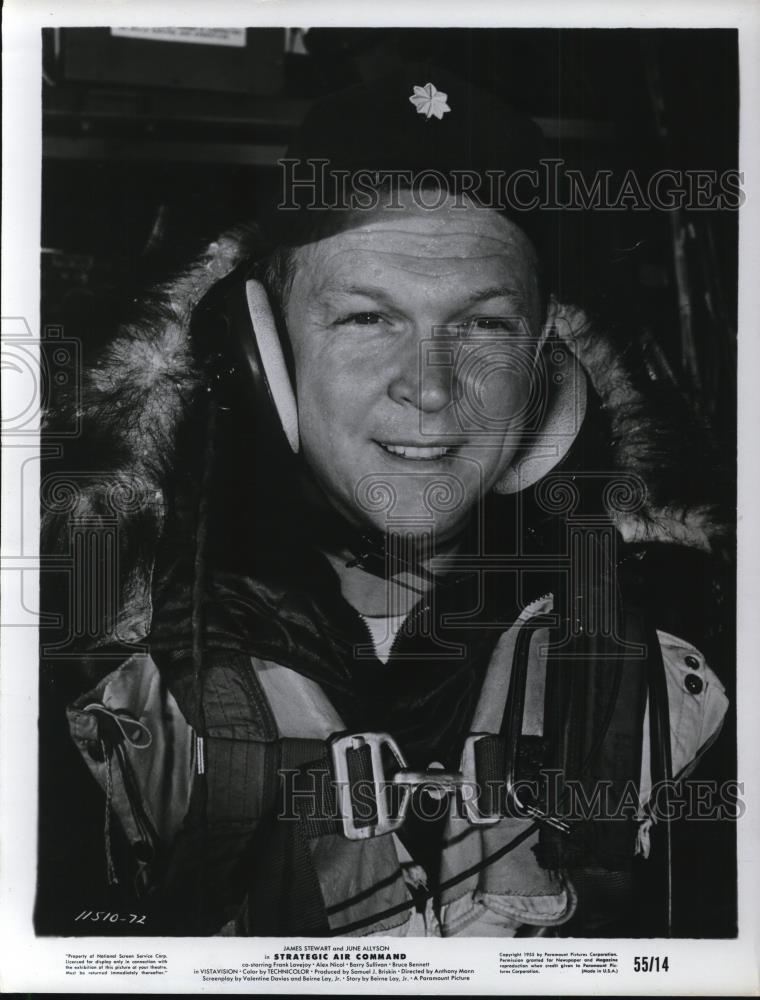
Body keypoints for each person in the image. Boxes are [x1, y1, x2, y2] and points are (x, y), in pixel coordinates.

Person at [39, 65, 732, 938]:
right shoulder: (88, 670)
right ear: (263, 356)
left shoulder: (687, 653)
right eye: (368, 319)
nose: (432, 391)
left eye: (482, 325)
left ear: (546, 366)